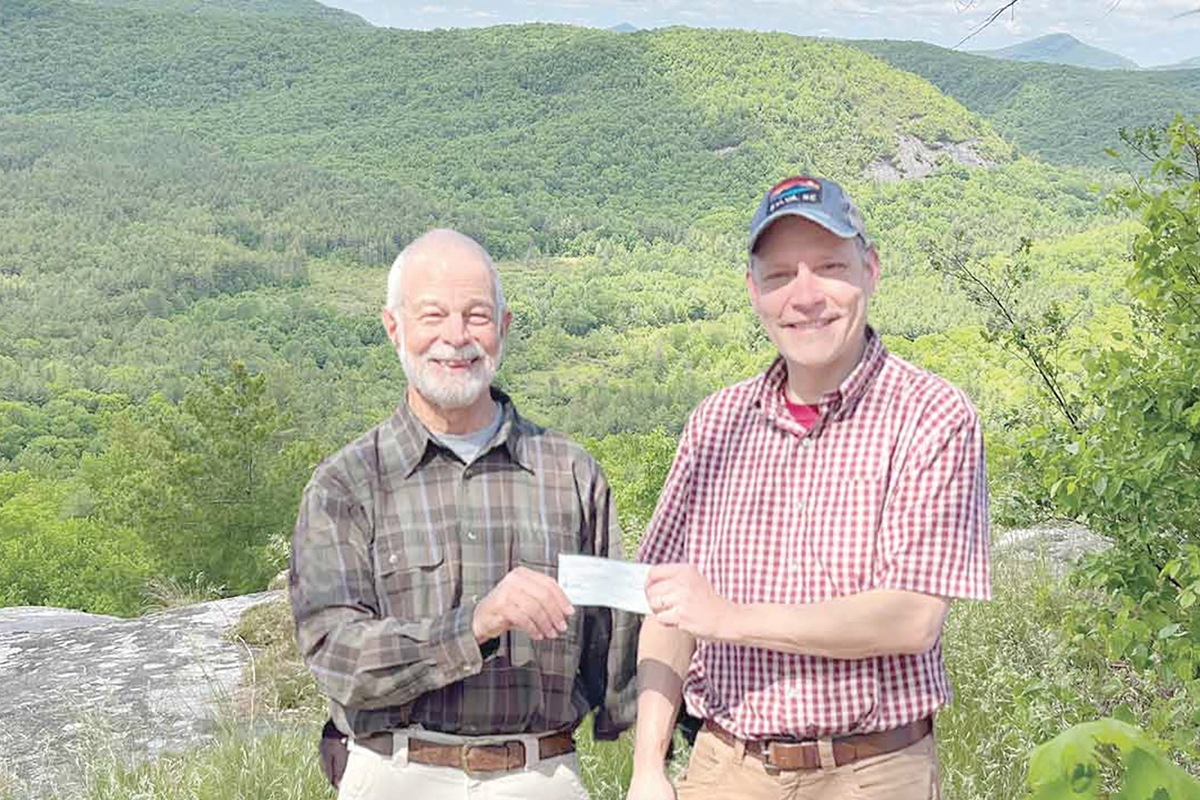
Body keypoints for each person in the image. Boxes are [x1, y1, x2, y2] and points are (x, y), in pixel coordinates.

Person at [626, 177, 991, 800]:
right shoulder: (716, 424)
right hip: (723, 767)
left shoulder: (932, 415)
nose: (806, 296)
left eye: (829, 267)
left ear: (870, 271)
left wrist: (730, 618)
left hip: (870, 773)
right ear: (753, 291)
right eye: (778, 276)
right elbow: (668, 607)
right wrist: (647, 768)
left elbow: (910, 618)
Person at [290, 228, 638, 800]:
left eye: (476, 316)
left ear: (502, 328)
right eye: (433, 315)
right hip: (396, 773)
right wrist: (477, 625)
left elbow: (618, 649)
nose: (456, 337)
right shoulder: (345, 483)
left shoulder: (571, 474)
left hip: (540, 774)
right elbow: (337, 655)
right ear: (393, 326)